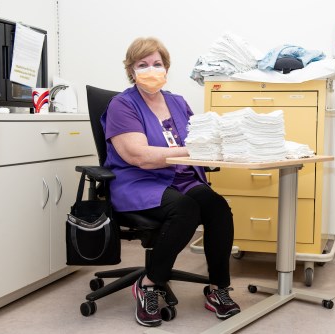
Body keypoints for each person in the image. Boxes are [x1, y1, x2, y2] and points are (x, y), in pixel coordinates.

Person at [100, 37, 240, 327]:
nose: (151, 70)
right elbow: (139, 156)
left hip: (182, 178)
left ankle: (218, 289)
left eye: (157, 64)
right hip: (138, 182)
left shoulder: (177, 102)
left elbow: (199, 140)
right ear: (131, 70)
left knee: (217, 207)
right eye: (143, 65)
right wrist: (193, 150)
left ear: (166, 68)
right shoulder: (122, 105)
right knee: (185, 209)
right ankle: (149, 284)